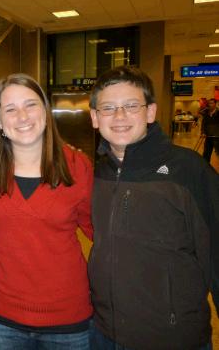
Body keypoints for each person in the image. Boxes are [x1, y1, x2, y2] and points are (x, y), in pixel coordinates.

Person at [88, 66, 219, 350]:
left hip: (172, 338)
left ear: (150, 112)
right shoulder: (98, 174)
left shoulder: (188, 171)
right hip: (103, 333)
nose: (120, 116)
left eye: (131, 106)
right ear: (95, 118)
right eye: (108, 108)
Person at [0, 73, 93, 349]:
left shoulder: (77, 166)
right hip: (3, 319)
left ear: (45, 112)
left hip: (68, 320)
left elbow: (102, 232)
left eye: (30, 104)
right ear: (0, 123)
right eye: (10, 109)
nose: (23, 116)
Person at [200, 98, 219, 162]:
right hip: (208, 136)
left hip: (217, 137)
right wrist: (203, 132)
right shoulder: (206, 113)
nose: (210, 105)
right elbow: (203, 124)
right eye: (209, 103)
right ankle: (206, 168)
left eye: (212, 103)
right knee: (206, 154)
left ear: (215, 104)